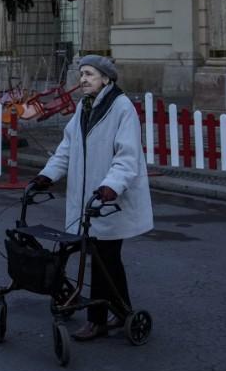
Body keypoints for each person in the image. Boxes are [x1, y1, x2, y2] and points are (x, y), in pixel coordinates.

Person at [28, 55, 153, 341]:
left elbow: (127, 156)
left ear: (106, 79)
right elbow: (66, 148)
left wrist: (112, 186)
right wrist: (46, 175)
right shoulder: (84, 107)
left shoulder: (122, 108)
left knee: (103, 258)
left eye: (90, 74)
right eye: (81, 74)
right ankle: (122, 312)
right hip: (87, 201)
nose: (83, 79)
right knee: (106, 258)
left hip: (108, 201)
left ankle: (97, 320)